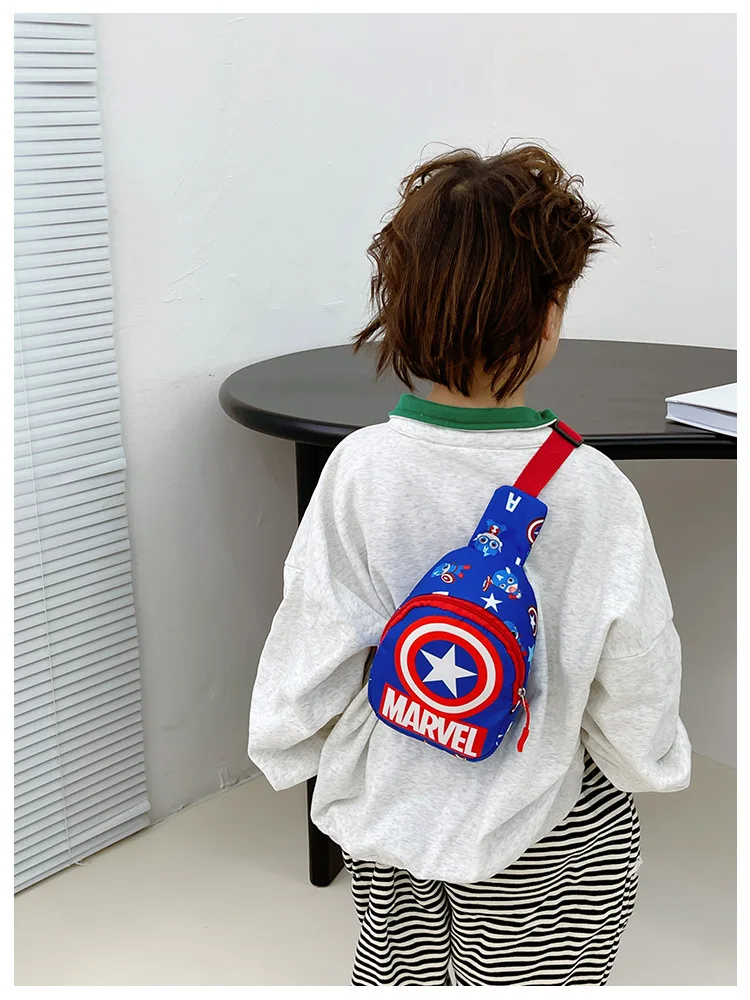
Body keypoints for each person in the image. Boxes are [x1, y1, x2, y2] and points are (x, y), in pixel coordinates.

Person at [247, 145, 692, 986]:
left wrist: (290, 745)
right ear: (548, 315)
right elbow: (635, 662)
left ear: (402, 308)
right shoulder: (592, 487)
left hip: (392, 797)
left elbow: (315, 630)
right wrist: (649, 763)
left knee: (401, 973)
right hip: (544, 817)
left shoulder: (359, 468)